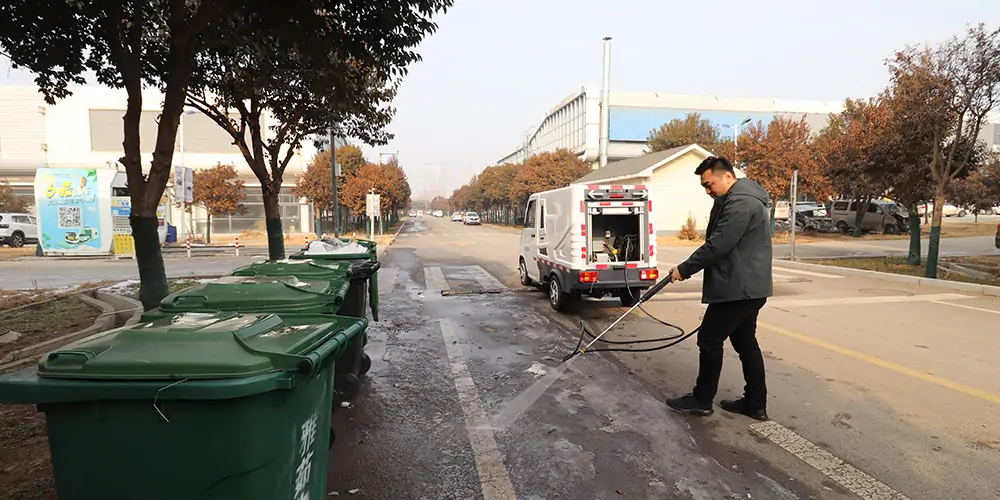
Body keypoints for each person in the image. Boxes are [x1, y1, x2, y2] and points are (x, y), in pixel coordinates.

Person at [664, 156, 773, 421]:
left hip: (738, 287)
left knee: (710, 339)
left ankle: (702, 400)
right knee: (745, 342)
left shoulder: (741, 203)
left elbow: (718, 245)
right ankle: (755, 403)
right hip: (746, 286)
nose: (708, 190)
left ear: (727, 177)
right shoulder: (734, 200)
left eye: (710, 184)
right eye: (704, 186)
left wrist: (684, 269)